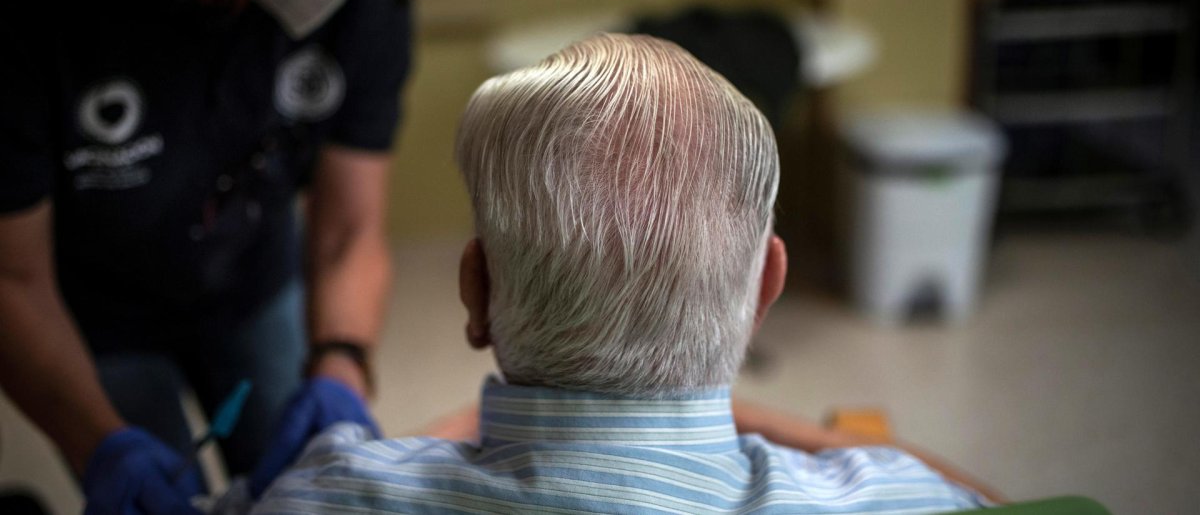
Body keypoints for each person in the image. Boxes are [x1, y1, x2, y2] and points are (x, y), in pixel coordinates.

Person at [250, 33, 997, 512]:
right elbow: (996, 501)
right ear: (767, 286)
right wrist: (763, 417)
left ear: (474, 289)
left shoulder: (328, 491)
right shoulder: (891, 500)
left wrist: (456, 425)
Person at [0, 0, 475, 511]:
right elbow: (9, 275)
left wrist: (341, 362)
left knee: (297, 470)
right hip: (83, 312)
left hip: (252, 274)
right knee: (151, 479)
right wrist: (100, 443)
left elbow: (349, 226)